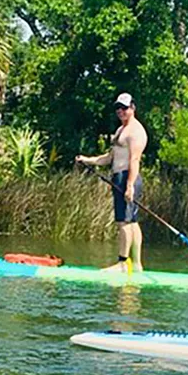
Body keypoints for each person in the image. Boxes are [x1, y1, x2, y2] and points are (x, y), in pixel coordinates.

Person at [75, 93, 149, 273]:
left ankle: (124, 263)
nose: (120, 111)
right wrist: (88, 160)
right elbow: (109, 157)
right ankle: (137, 265)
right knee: (131, 221)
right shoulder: (120, 131)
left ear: (133, 108)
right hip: (120, 177)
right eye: (118, 108)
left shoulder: (136, 132)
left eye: (124, 108)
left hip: (127, 178)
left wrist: (130, 185)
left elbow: (135, 160)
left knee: (124, 221)